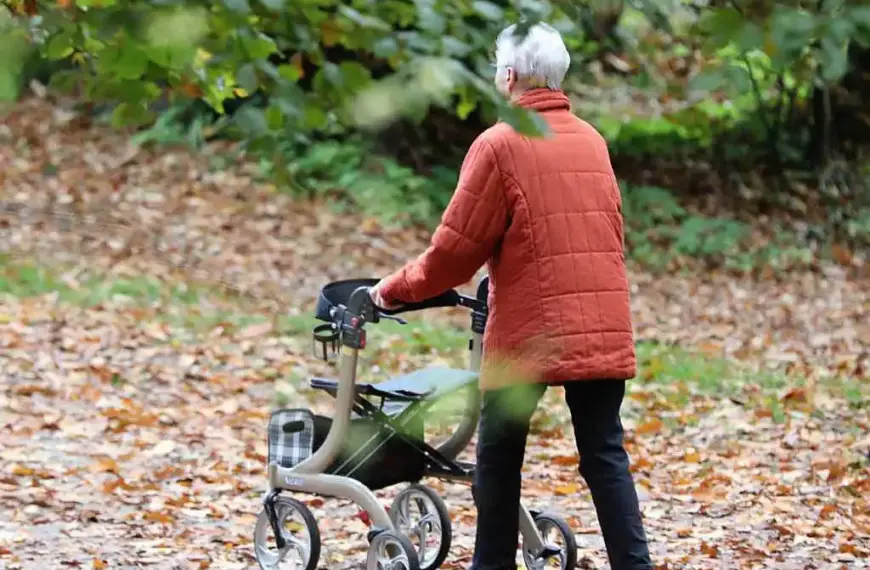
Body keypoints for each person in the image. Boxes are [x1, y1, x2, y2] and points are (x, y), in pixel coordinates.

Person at [369, 22, 653, 570]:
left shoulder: (499, 143)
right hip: (601, 319)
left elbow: (454, 255)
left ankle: (492, 564)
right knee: (605, 455)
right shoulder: (591, 140)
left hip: (531, 328)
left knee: (498, 454)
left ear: (509, 76)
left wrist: (394, 290)